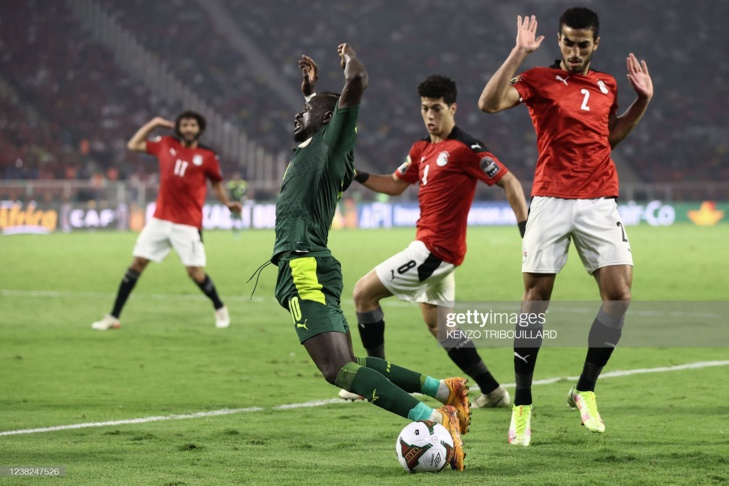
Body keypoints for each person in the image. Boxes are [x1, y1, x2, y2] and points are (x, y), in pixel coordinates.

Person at [272, 46, 468, 470]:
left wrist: (350, 66)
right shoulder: (319, 148)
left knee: (338, 371)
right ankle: (444, 389)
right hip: (310, 262)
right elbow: (317, 118)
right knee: (352, 364)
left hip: (303, 262)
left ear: (328, 121)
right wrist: (310, 97)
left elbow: (355, 85)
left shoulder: (330, 144)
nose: (296, 118)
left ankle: (436, 417)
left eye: (306, 113)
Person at [477, 7, 653, 446]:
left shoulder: (607, 84)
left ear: (595, 44)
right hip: (552, 199)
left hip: (598, 200)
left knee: (620, 296)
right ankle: (522, 405)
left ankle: (585, 390)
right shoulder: (537, 79)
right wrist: (518, 52)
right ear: (558, 41)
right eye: (567, 43)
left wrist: (642, 101)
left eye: (582, 44)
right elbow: (489, 103)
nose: (574, 52)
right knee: (536, 299)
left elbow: (609, 138)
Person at [343, 74, 528, 410]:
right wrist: (355, 173)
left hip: (434, 250)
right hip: (437, 253)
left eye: (437, 109)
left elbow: (511, 183)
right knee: (440, 327)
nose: (430, 115)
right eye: (425, 109)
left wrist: (526, 231)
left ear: (453, 108)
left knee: (362, 293)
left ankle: (375, 382)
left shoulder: (466, 149)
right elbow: (395, 184)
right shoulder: (421, 150)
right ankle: (493, 391)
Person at [91, 111, 242, 331]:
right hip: (160, 220)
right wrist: (154, 123)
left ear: (199, 129)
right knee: (137, 263)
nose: (189, 129)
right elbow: (133, 145)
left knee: (195, 273)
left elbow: (216, 184)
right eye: (185, 125)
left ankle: (220, 307)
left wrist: (228, 204)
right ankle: (113, 316)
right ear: (178, 127)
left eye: (193, 125)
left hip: (187, 223)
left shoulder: (207, 155)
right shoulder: (165, 144)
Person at [226, 172, 249, 237]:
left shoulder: (243, 184)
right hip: (233, 203)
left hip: (241, 203)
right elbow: (228, 194)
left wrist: (245, 198)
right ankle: (234, 228)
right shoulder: (231, 184)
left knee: (240, 215)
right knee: (233, 216)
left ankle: (240, 228)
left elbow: (247, 192)